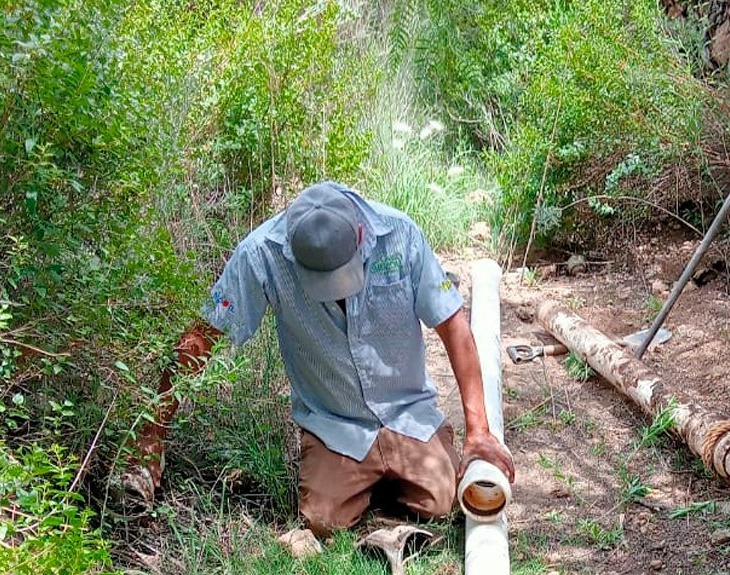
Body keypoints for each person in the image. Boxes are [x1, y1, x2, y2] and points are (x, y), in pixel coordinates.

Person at [122, 181, 514, 537]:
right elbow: (202, 337)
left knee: (444, 503)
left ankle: (392, 478)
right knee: (323, 521)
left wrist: (478, 430)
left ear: (361, 234)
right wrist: (151, 435)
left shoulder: (400, 235)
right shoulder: (261, 255)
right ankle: (357, 482)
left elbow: (454, 326)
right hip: (334, 423)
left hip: (405, 412)